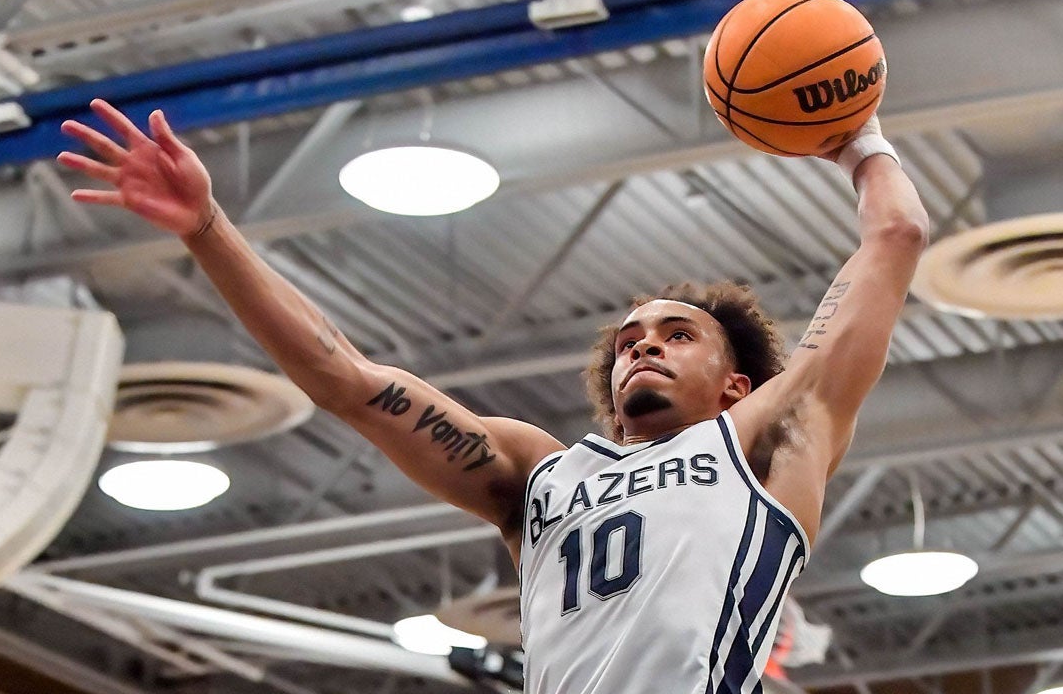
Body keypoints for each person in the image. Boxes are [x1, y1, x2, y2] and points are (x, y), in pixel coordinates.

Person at [59, 99, 927, 694]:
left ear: (737, 383)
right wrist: (209, 230)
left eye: (675, 335)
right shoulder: (539, 474)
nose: (644, 346)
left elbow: (897, 234)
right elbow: (348, 383)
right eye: (629, 342)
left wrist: (859, 138)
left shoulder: (771, 441)